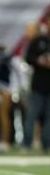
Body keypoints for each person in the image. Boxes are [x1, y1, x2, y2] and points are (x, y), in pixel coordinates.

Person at [23, 12, 50, 153]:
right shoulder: (38, 40)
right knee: (31, 116)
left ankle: (47, 145)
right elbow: (28, 58)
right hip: (38, 85)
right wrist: (40, 61)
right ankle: (26, 144)